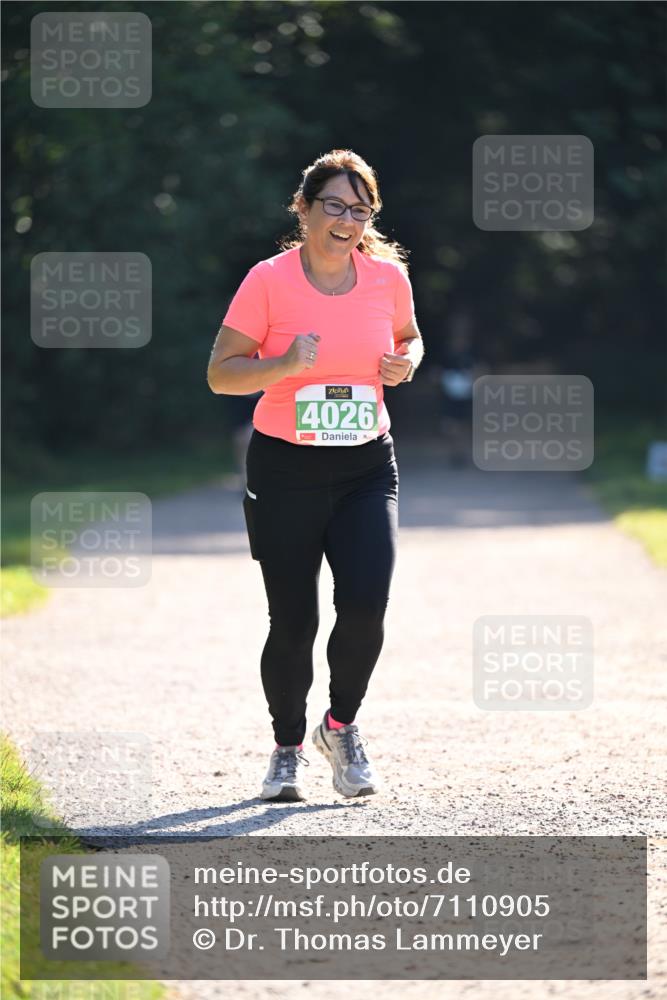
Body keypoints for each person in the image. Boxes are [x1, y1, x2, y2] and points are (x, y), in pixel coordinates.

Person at [207, 149, 423, 802]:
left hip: (364, 465)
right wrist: (279, 365)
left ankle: (341, 726)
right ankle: (286, 748)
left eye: (360, 209)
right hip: (284, 469)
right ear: (302, 209)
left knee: (365, 604)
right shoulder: (268, 280)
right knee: (293, 619)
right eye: (334, 205)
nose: (348, 220)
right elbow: (220, 374)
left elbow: (410, 337)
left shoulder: (387, 279)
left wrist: (406, 362)